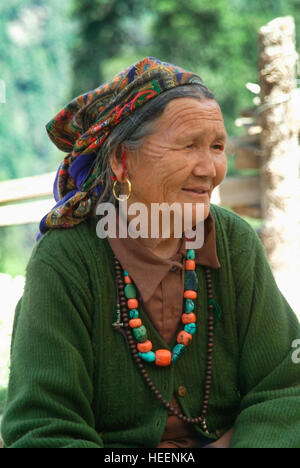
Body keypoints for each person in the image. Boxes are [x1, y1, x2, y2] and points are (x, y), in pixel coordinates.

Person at [1, 57, 300, 448]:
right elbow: (43, 428)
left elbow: (286, 390)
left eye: (217, 146)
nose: (209, 168)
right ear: (121, 160)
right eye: (189, 146)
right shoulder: (67, 259)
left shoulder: (233, 243)